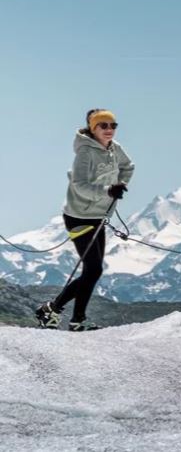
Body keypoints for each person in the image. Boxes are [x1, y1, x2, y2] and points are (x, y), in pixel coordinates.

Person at [35, 109, 135, 331]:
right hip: (79, 216)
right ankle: (72, 318)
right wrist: (109, 190)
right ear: (93, 128)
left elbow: (129, 166)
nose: (109, 130)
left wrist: (121, 184)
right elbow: (79, 185)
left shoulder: (115, 149)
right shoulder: (85, 153)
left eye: (113, 125)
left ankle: (57, 312)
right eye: (103, 126)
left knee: (93, 270)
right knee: (93, 269)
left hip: (98, 215)